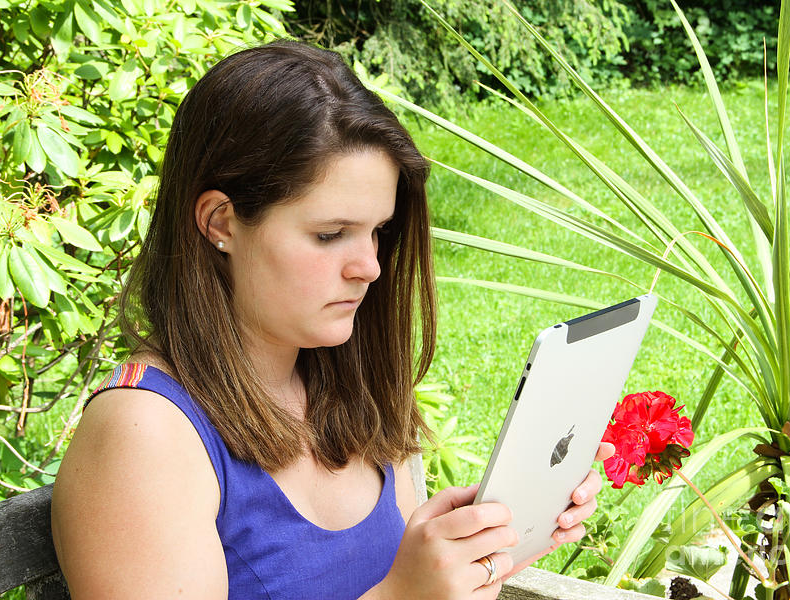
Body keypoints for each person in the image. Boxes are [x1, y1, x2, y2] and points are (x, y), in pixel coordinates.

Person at [50, 40, 612, 599]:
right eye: (329, 235)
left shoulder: (345, 382)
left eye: (377, 232)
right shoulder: (145, 432)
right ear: (221, 221)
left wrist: (484, 553)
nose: (369, 267)